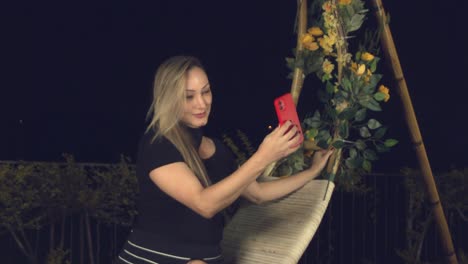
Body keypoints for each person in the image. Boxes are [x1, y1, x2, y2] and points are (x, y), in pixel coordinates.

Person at [117, 55, 334, 264]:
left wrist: (312, 171)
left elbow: (258, 194)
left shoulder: (217, 150)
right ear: (168, 99)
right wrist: (263, 156)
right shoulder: (158, 144)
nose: (202, 104)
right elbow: (204, 204)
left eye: (206, 92)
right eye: (189, 96)